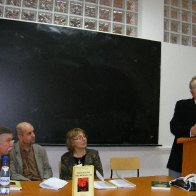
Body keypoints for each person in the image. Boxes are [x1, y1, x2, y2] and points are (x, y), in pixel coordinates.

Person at [167, 76, 196, 178]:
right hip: (180, 160)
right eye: (195, 87)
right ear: (191, 91)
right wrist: (190, 131)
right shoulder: (182, 105)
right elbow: (174, 127)